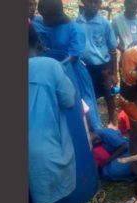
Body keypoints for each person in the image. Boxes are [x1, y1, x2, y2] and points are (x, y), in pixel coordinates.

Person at [29, 26, 76, 203]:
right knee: (42, 200)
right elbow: (68, 100)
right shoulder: (49, 66)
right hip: (39, 144)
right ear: (38, 43)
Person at [38, 0, 103, 129]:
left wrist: (54, 64)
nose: (43, 21)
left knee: (83, 105)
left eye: (46, 18)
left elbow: (72, 57)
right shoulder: (51, 27)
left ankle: (94, 134)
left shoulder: (75, 30)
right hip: (57, 73)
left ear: (57, 15)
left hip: (73, 74)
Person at [77, 0, 119, 127]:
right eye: (91, 2)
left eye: (97, 2)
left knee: (109, 95)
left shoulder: (104, 23)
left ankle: (113, 121)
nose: (94, 5)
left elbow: (113, 50)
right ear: (84, 2)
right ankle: (93, 124)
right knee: (89, 95)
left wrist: (114, 73)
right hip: (85, 67)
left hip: (103, 68)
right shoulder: (77, 23)